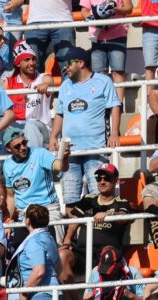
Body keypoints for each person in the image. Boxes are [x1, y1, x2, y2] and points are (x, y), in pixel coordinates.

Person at [50, 47, 121, 205]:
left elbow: (115, 106)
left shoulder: (103, 81)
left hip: (95, 149)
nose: (65, 67)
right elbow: (60, 114)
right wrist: (53, 136)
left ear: (81, 63)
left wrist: (114, 133)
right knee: (70, 200)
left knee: (99, 197)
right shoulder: (65, 85)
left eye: (68, 63)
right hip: (69, 151)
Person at [3, 127, 60, 222]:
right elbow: (11, 196)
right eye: (17, 146)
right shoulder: (7, 165)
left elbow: (60, 166)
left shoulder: (40, 153)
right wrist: (8, 218)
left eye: (24, 142)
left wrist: (65, 158)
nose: (23, 147)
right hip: (25, 213)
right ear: (8, 148)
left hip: (47, 208)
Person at [4, 42, 56, 146]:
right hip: (17, 128)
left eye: (33, 59)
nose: (32, 63)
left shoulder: (43, 78)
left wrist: (46, 85)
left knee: (30, 125)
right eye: (27, 60)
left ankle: (33, 156)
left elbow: (50, 81)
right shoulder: (8, 83)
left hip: (41, 128)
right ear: (18, 64)